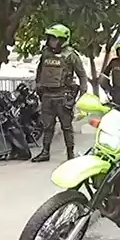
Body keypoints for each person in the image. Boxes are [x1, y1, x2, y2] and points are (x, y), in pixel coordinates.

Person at [31, 24, 88, 163]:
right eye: (51, 38)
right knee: (47, 126)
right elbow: (40, 70)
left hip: (63, 96)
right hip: (47, 95)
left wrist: (82, 94)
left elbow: (82, 75)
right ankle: (45, 152)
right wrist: (37, 84)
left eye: (55, 39)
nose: (52, 41)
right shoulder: (45, 52)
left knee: (66, 127)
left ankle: (70, 154)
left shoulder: (71, 55)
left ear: (63, 40)